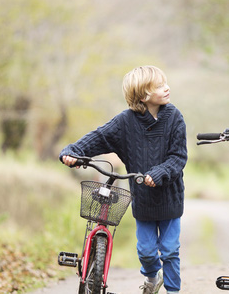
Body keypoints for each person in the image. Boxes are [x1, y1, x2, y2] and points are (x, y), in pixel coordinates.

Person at [59, 65, 186, 294]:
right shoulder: (125, 122)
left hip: (170, 199)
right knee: (146, 251)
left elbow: (178, 157)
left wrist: (158, 173)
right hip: (144, 200)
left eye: (166, 83)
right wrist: (73, 151)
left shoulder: (175, 118)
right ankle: (151, 277)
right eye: (159, 86)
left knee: (169, 251)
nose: (167, 88)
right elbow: (98, 137)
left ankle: (173, 291)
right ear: (143, 95)